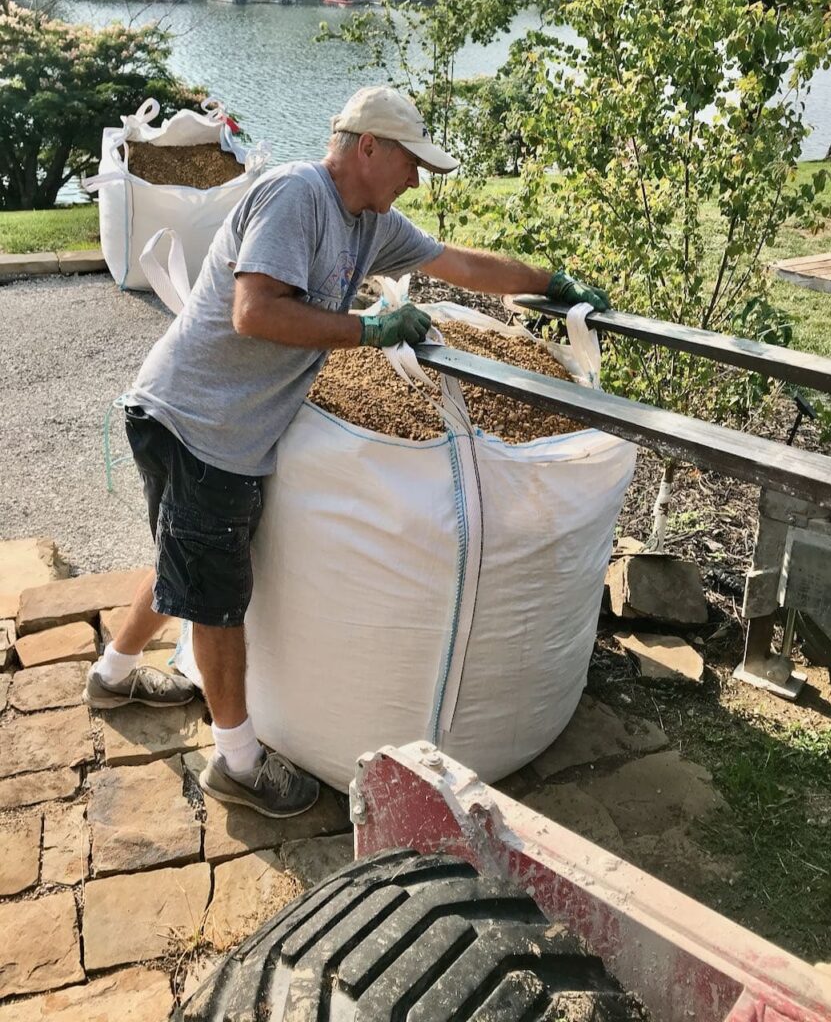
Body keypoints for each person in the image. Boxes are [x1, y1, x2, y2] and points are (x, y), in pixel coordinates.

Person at [83, 86, 610, 818]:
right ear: (369, 148)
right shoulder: (297, 196)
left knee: (189, 553)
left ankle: (112, 675)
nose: (417, 180)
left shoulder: (372, 222)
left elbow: (461, 264)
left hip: (212, 424)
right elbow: (254, 311)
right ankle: (236, 762)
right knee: (215, 593)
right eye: (411, 164)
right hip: (197, 420)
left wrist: (550, 283)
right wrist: (369, 329)